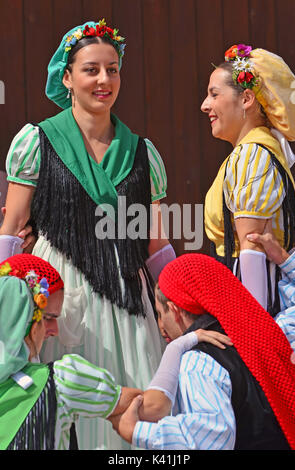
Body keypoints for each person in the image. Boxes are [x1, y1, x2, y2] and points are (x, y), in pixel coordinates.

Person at [0, 19, 176, 449]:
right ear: (66, 76)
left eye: (113, 69)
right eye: (91, 69)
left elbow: (154, 245)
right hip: (60, 299)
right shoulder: (37, 142)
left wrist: (183, 303)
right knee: (66, 414)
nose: (104, 80)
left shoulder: (142, 153)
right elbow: (12, 228)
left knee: (133, 410)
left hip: (126, 302)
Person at [0, 253, 232, 450]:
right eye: (48, 318)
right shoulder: (62, 380)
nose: (55, 330)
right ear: (24, 320)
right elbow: (155, 406)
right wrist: (181, 343)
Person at [112, 249, 295, 450]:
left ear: (174, 310)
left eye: (159, 313)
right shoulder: (270, 333)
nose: (159, 325)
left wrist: (137, 432)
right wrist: (284, 258)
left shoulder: (198, 362)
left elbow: (211, 440)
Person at [201, 44, 295, 315]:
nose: (205, 105)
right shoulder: (255, 150)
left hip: (256, 297)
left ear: (246, 99)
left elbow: (252, 244)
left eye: (214, 94)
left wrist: (254, 327)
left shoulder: (253, 154)